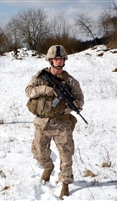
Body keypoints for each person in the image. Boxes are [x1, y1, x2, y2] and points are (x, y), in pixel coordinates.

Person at [25, 45, 84, 199]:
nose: (59, 61)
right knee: (38, 152)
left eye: (61, 59)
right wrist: (44, 90)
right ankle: (48, 167)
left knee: (66, 153)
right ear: (50, 60)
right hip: (42, 122)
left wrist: (70, 109)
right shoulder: (40, 76)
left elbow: (80, 100)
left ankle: (65, 182)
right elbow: (28, 91)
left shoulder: (71, 81)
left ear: (64, 60)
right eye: (56, 59)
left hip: (62, 124)